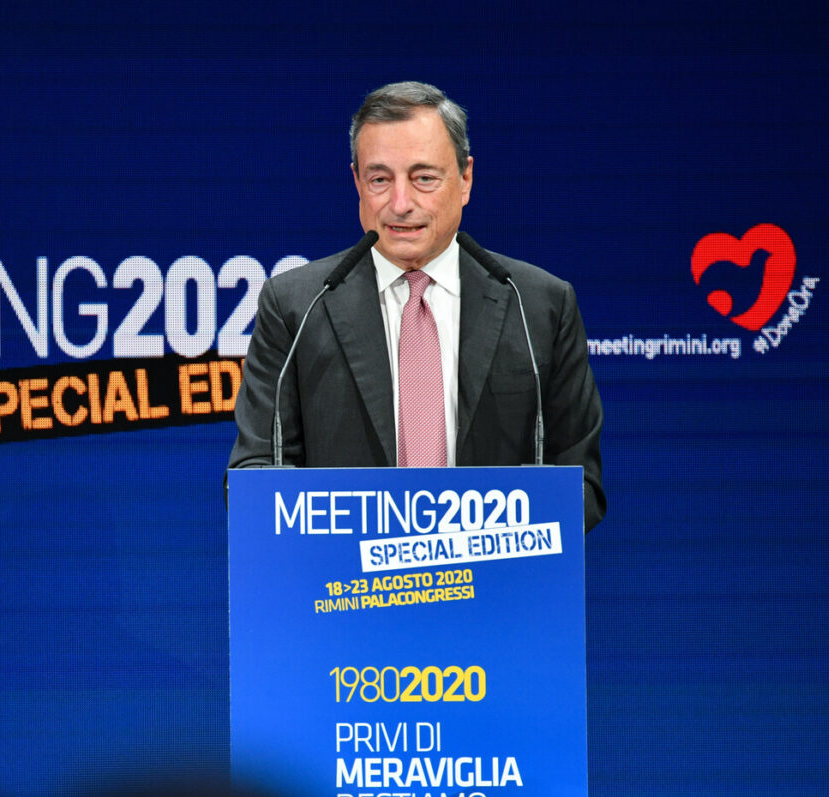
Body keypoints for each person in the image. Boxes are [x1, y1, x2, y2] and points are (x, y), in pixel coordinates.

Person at [228, 81, 604, 531]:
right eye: (380, 180)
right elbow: (254, 476)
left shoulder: (538, 305)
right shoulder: (297, 306)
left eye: (424, 178)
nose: (401, 204)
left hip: (491, 573)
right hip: (344, 575)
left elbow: (581, 486)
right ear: (357, 182)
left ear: (465, 179)